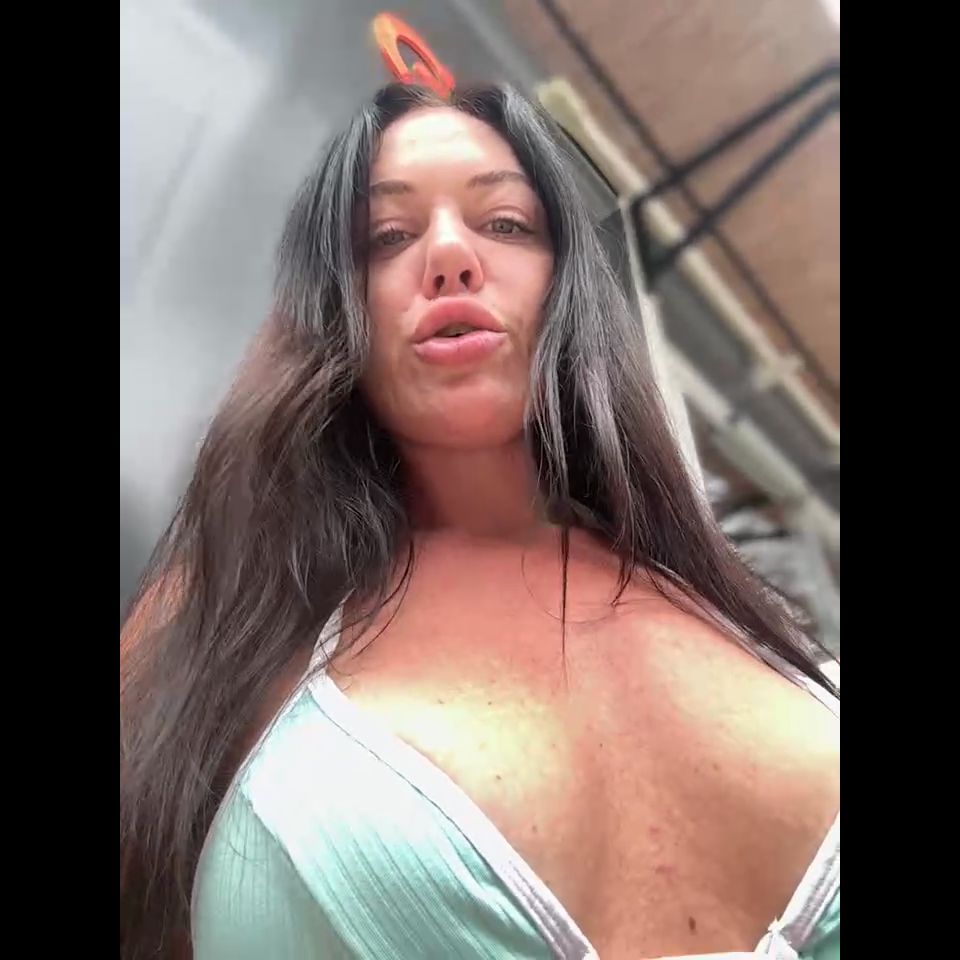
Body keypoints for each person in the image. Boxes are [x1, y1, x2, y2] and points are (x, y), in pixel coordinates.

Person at [120, 82, 840, 960]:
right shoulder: (223, 611)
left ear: (565, 283)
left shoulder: (730, 602)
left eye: (505, 223)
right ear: (333, 305)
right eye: (387, 237)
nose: (451, 255)